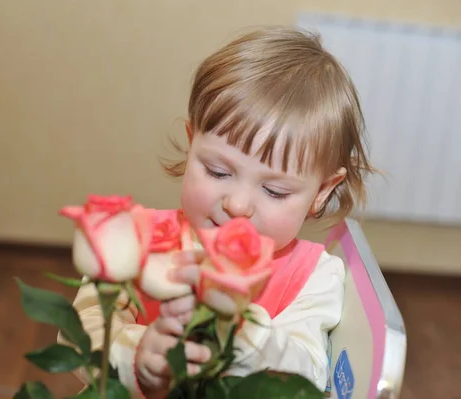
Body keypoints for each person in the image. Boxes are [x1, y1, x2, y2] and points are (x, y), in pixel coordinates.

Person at [61, 26, 376, 398]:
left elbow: (306, 372)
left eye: (274, 190)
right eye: (218, 171)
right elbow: (78, 332)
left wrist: (238, 328)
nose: (237, 205)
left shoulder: (314, 276)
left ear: (321, 191)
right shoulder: (139, 239)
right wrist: (135, 356)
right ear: (192, 145)